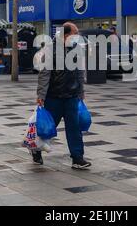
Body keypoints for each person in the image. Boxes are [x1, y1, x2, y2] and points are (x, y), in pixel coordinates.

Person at [35, 22, 91, 170]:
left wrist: (81, 91)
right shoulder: (50, 50)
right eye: (75, 32)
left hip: (71, 97)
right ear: (66, 34)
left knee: (74, 127)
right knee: (47, 127)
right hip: (54, 97)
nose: (77, 36)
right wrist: (41, 95)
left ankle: (77, 158)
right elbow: (44, 74)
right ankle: (35, 148)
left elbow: (79, 72)